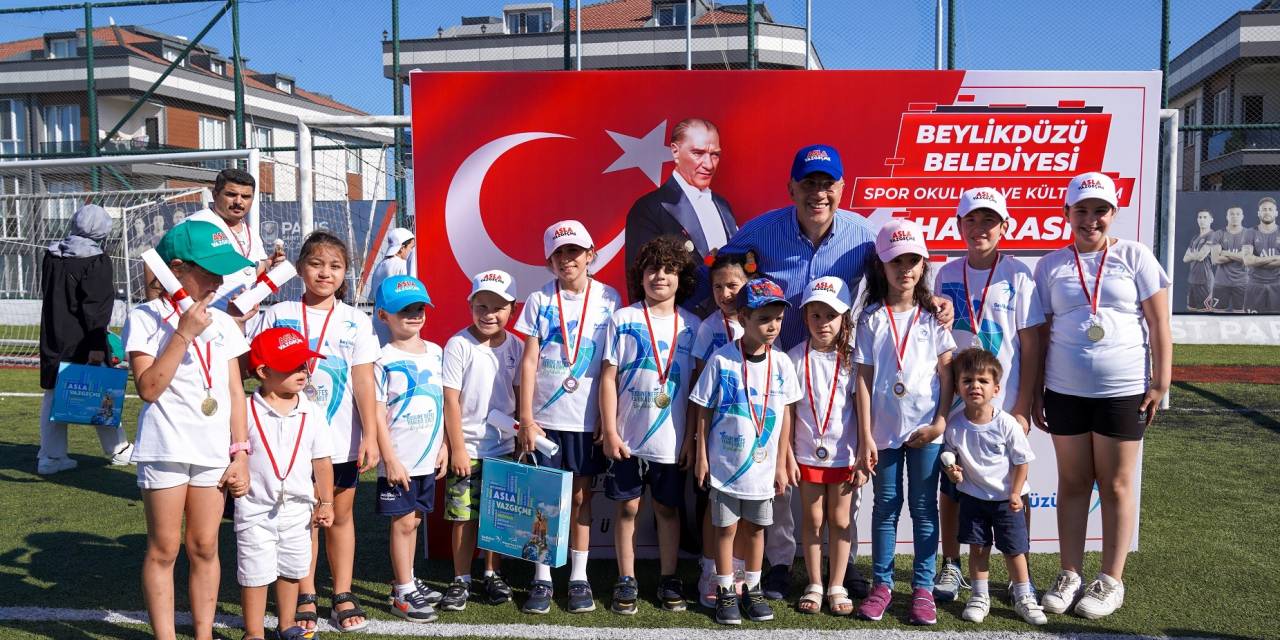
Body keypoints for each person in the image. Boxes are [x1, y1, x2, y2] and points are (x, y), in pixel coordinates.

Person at [720, 145, 952, 598]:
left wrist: (935, 300)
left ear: (842, 188)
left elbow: (902, 276)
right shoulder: (760, 232)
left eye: (827, 184)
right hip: (776, 371)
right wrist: (727, 323)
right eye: (808, 184)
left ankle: (841, 568)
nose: (818, 193)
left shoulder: (865, 237)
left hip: (845, 370)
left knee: (847, 474)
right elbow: (722, 273)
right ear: (792, 188)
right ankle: (783, 562)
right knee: (787, 478)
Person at [1032, 172, 1171, 620]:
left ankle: (1111, 581)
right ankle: (1069, 574)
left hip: (1123, 390)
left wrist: (1161, 382)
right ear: (1067, 213)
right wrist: (1036, 391)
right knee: (1072, 485)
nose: (1090, 219)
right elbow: (1044, 331)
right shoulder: (1050, 265)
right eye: (1081, 210)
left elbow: (1158, 325)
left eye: (1100, 211)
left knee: (1114, 485)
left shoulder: (1135, 256)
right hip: (1065, 390)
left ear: (1113, 214)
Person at [124, 220, 253, 640]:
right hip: (165, 448)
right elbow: (148, 388)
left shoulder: (224, 323)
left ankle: (203, 633)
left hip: (213, 452)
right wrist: (183, 333)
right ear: (176, 269)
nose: (218, 280)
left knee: (205, 547)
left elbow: (235, 392)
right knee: (165, 549)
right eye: (209, 270)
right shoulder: (144, 317)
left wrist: (240, 454)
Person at [256, 230, 383, 632]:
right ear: (299, 269)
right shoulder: (279, 313)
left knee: (339, 515)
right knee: (301, 519)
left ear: (345, 273)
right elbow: (259, 372)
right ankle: (306, 592)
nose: (324, 273)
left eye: (334, 266)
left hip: (340, 439)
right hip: (289, 440)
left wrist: (371, 435)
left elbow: (364, 381)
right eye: (315, 264)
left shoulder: (356, 320)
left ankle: (341, 592)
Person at [933, 188, 1044, 602]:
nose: (980, 228)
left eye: (989, 221)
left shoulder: (1018, 273)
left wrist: (1023, 404)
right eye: (972, 220)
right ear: (959, 225)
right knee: (953, 486)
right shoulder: (944, 272)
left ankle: (1022, 574)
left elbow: (1031, 344)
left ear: (1004, 226)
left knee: (1015, 489)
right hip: (958, 405)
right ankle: (951, 564)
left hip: (1003, 404)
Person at [515, 220, 621, 615]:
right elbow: (528, 362)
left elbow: (613, 364)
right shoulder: (539, 300)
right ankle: (541, 577)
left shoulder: (610, 298)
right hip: (545, 419)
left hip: (586, 418)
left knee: (580, 498)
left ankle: (579, 577)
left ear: (590, 254)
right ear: (550, 260)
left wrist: (607, 420)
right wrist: (526, 418)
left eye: (574, 251)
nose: (568, 259)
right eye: (559, 253)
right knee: (543, 502)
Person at [853, 219, 956, 626]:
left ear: (924, 264)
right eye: (896, 261)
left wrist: (941, 423)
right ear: (882, 266)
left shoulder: (933, 317)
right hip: (883, 434)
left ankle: (924, 589)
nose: (905, 269)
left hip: (926, 432)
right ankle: (882, 586)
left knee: (924, 510)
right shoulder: (870, 319)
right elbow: (862, 380)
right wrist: (865, 437)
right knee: (886, 508)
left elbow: (947, 374)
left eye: (913, 260)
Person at [691, 277, 802, 626]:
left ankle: (751, 589)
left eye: (778, 319)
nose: (772, 326)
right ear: (742, 318)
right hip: (725, 467)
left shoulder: (782, 363)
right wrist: (702, 457)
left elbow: (784, 417)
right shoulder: (722, 361)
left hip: (763, 470)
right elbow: (704, 411)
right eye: (763, 319)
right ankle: (725, 589)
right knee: (725, 530)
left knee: (756, 531)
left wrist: (784, 462)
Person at [599, 236, 700, 615]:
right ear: (640, 276)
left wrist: (691, 437)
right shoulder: (623, 319)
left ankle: (669, 577)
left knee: (668, 510)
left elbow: (696, 393)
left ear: (681, 278)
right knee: (627, 510)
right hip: (627, 438)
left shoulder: (692, 327)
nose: (660, 276)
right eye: (652, 269)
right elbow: (608, 377)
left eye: (669, 269)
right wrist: (610, 431)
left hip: (670, 442)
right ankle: (626, 579)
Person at [237, 328, 336, 640]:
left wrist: (327, 502)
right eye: (292, 366)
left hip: (298, 508)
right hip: (254, 508)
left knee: (293, 569)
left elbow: (322, 460)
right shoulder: (246, 410)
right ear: (264, 371)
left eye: (304, 364)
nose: (302, 372)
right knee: (255, 572)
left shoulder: (312, 411)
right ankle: (253, 632)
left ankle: (286, 625)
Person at [942, 348, 1046, 626]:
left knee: (1014, 550)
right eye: (967, 381)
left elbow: (1022, 462)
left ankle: (1024, 596)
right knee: (978, 549)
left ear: (996, 388)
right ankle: (979, 596)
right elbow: (951, 461)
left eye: (982, 381)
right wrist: (953, 473)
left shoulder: (1007, 423)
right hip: (973, 500)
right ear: (958, 387)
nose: (975, 386)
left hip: (1006, 501)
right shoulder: (954, 425)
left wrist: (1015, 492)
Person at [439, 269, 523, 611]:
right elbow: (450, 400)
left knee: (498, 518)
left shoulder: (517, 346)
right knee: (464, 517)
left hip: (502, 449)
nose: (489, 314)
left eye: (498, 307)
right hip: (468, 449)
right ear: (470, 305)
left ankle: (492, 573)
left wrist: (520, 439)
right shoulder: (459, 345)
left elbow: (519, 396)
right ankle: (461, 578)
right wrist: (457, 447)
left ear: (512, 309)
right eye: (482, 305)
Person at [787, 276, 865, 616]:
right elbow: (788, 412)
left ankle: (837, 584)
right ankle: (815, 583)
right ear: (805, 317)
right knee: (813, 518)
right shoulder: (792, 358)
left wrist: (864, 452)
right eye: (815, 315)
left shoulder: (853, 359)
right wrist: (787, 454)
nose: (823, 323)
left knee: (840, 518)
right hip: (806, 454)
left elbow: (862, 411)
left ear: (844, 318)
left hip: (844, 455)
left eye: (831, 316)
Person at [37, 203, 133, 475]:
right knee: (100, 392)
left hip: (54, 336)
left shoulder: (53, 255)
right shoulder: (97, 260)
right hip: (84, 340)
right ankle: (119, 449)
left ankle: (50, 457)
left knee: (53, 396)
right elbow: (96, 308)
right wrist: (96, 347)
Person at [372, 275, 447, 623]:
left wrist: (444, 443)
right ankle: (402, 592)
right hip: (399, 459)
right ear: (383, 315)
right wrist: (389, 459)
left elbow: (443, 404)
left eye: (419, 308)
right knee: (402, 524)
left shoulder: (436, 351)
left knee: (415, 521)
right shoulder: (381, 357)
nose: (415, 315)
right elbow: (375, 411)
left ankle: (408, 578)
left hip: (427, 458)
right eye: (405, 310)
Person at [625, 118, 737, 314]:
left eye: (715, 155)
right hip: (677, 330)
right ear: (675, 151)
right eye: (698, 153)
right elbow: (638, 282)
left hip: (725, 327)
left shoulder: (723, 205)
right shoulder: (649, 208)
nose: (708, 164)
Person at [689, 251, 748, 607]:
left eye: (733, 285)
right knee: (717, 503)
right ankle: (711, 568)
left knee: (747, 504)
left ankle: (738, 570)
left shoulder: (758, 321)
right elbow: (698, 382)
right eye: (718, 287)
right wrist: (697, 438)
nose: (726, 294)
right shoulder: (707, 327)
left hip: (753, 430)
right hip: (716, 431)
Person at [187, 168, 285, 320]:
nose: (239, 201)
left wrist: (268, 264)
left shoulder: (250, 232)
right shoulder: (197, 224)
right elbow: (156, 265)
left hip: (243, 322)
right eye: (231, 194)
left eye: (246, 196)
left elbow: (249, 272)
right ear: (215, 194)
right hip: (207, 323)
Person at [370, 227, 417, 344]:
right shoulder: (402, 265)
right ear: (402, 248)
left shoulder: (379, 266)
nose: (412, 251)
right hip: (395, 324)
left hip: (378, 321)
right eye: (411, 247)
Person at [1210, 206, 1251, 313]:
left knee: (1241, 315)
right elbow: (1215, 259)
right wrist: (1238, 255)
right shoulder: (1218, 234)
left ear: (1242, 217)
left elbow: (1246, 258)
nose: (1235, 216)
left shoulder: (1249, 234)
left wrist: (1224, 252)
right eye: (1232, 214)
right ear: (1227, 217)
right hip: (1221, 283)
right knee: (1217, 315)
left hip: (1242, 283)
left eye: (1238, 214)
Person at [1245, 196, 1280, 313]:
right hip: (1255, 284)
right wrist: (1275, 258)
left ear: (1276, 213)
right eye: (1264, 209)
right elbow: (1247, 261)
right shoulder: (1250, 232)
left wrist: (1257, 260)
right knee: (1250, 324)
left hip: (1277, 283)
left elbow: (1252, 260)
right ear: (1259, 213)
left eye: (1270, 209)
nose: (1267, 212)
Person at [1182, 209, 1219, 311]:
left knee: (1205, 313)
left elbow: (1201, 256)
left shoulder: (1212, 235)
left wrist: (1193, 255)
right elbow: (1185, 258)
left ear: (1211, 220)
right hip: (1192, 280)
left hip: (1205, 281)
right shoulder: (1195, 238)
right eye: (1200, 217)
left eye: (1205, 217)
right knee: (1191, 310)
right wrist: (1196, 255)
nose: (1202, 220)